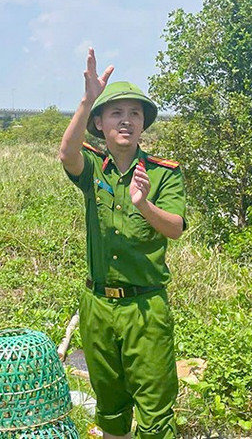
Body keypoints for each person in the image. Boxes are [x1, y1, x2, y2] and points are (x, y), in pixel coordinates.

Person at [59, 48, 187, 439]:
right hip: (97, 305)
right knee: (110, 403)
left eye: (135, 114)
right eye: (116, 112)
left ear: (143, 124)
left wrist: (144, 204)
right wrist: (88, 99)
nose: (126, 121)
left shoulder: (164, 172)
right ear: (99, 122)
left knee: (154, 407)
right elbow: (67, 153)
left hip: (144, 306)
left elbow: (175, 228)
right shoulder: (94, 165)